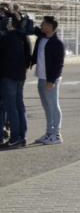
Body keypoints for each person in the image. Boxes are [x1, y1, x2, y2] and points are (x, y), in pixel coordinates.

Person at [31, 16, 65, 145]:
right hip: (41, 77)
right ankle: (49, 133)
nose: (41, 25)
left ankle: (56, 135)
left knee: (53, 106)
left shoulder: (57, 43)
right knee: (46, 107)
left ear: (50, 27)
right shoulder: (42, 37)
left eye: (44, 24)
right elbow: (32, 29)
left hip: (51, 79)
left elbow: (59, 65)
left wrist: (52, 80)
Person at [0, 15, 32, 149]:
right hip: (20, 76)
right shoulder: (23, 37)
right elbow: (28, 56)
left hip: (8, 76)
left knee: (11, 107)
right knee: (19, 106)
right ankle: (22, 137)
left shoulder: (6, 38)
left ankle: (15, 138)